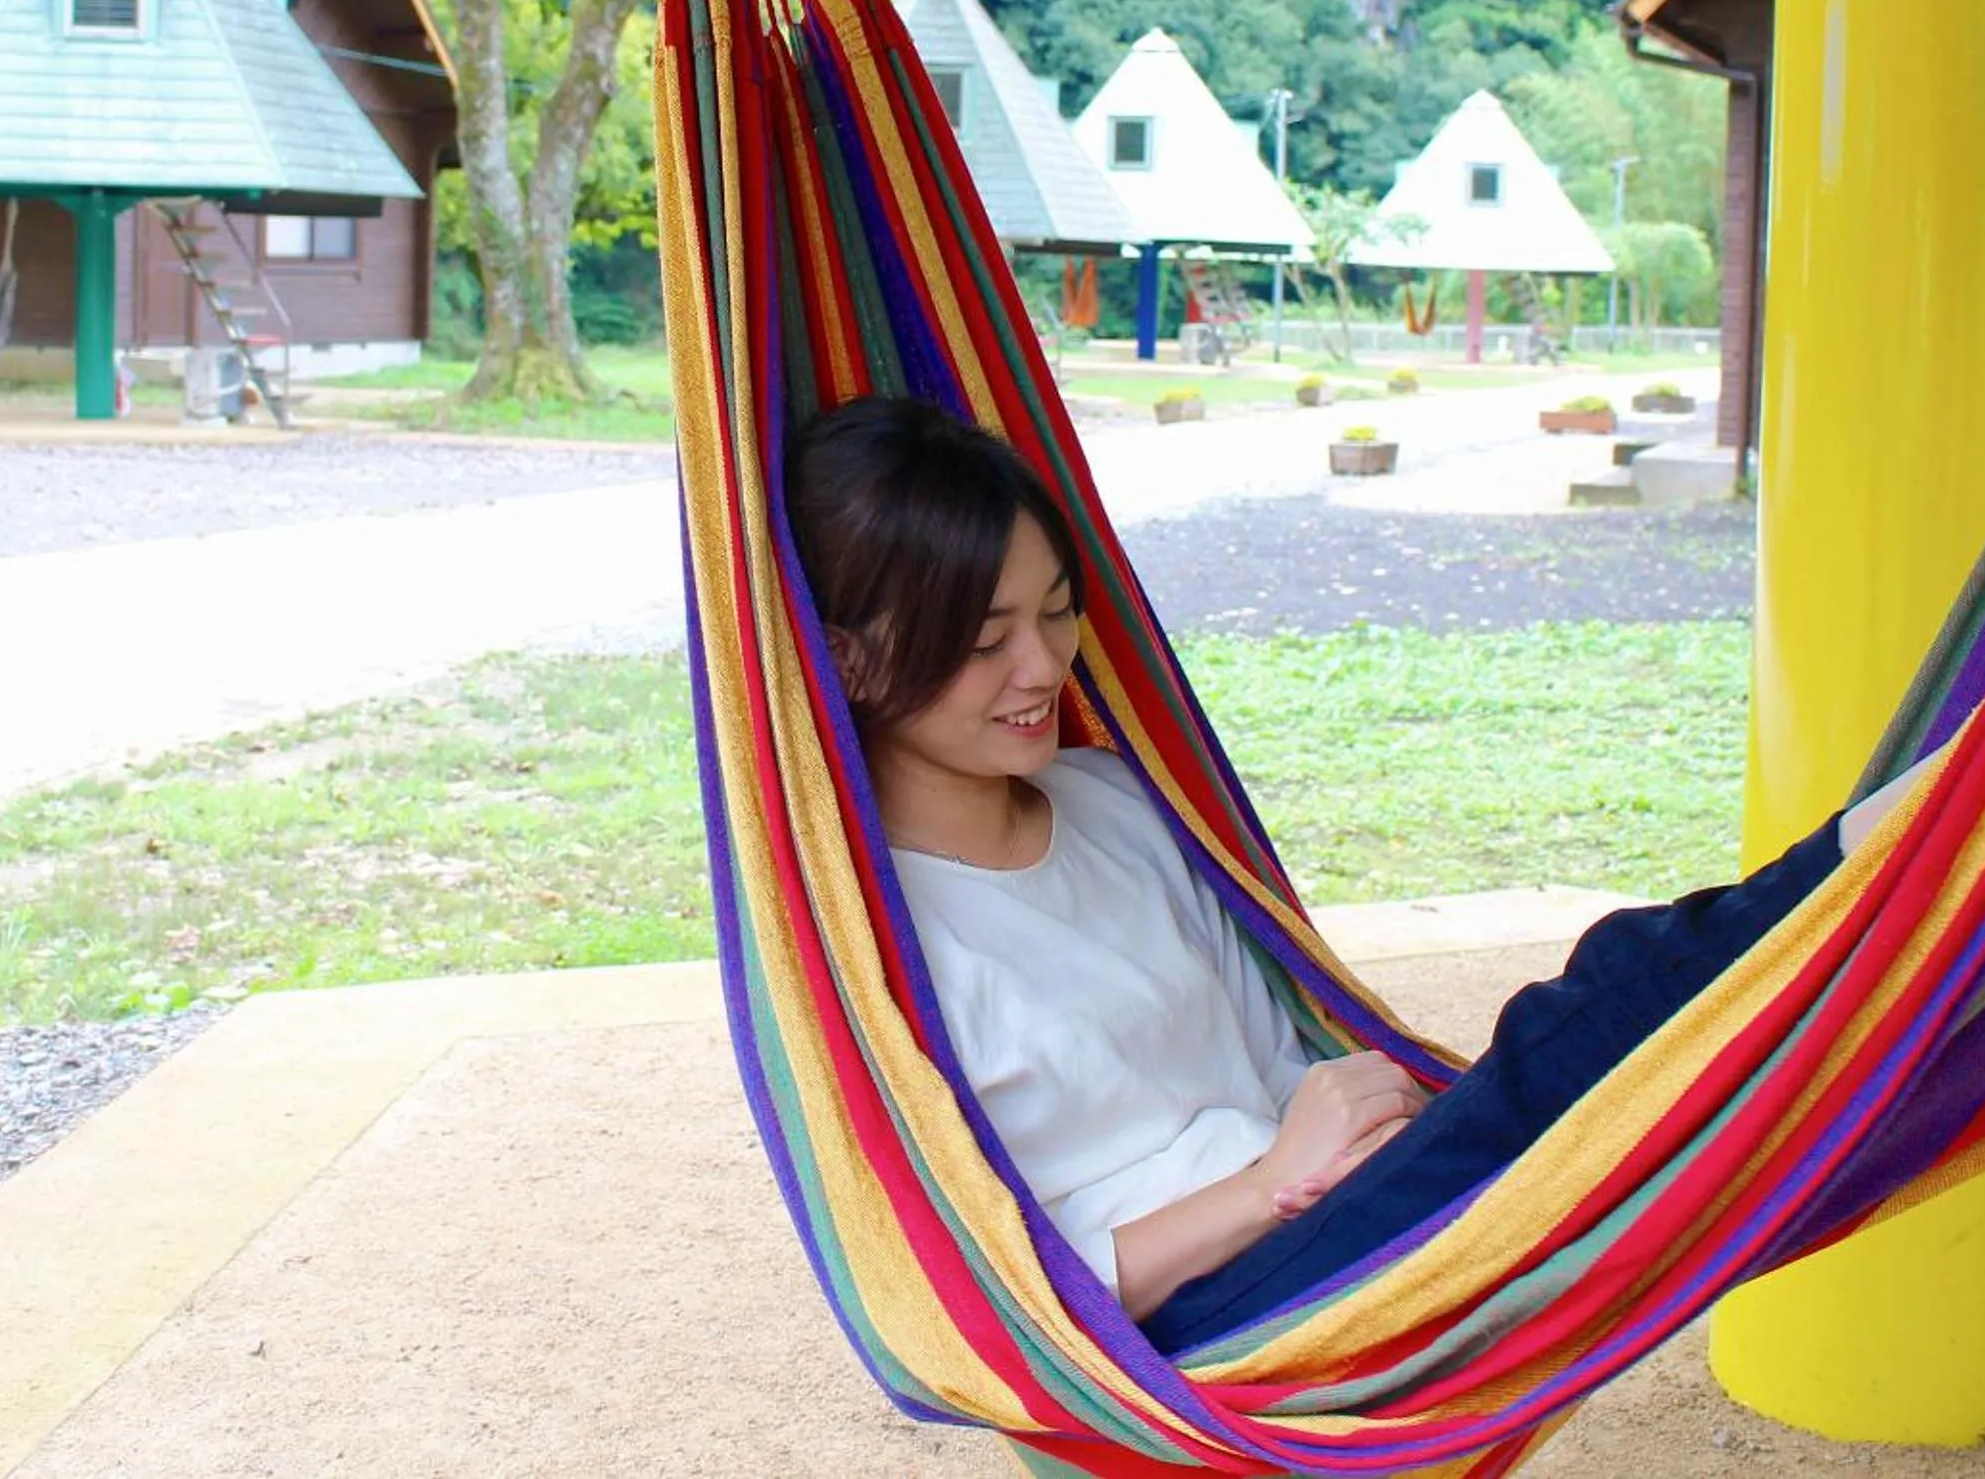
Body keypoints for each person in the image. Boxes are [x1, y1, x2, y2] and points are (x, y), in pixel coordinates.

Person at [786, 394, 1911, 1352]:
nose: (1042, 667)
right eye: (985, 642)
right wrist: (1275, 1183)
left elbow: (1274, 1064)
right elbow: (991, 1305)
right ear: (850, 654)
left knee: (1578, 1066)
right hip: (1190, 1338)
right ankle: (1862, 868)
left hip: (1328, 1233)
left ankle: (1899, 883)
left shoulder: (1117, 805)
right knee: (1568, 1049)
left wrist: (1352, 1140)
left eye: (1056, 612)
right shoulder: (878, 945)